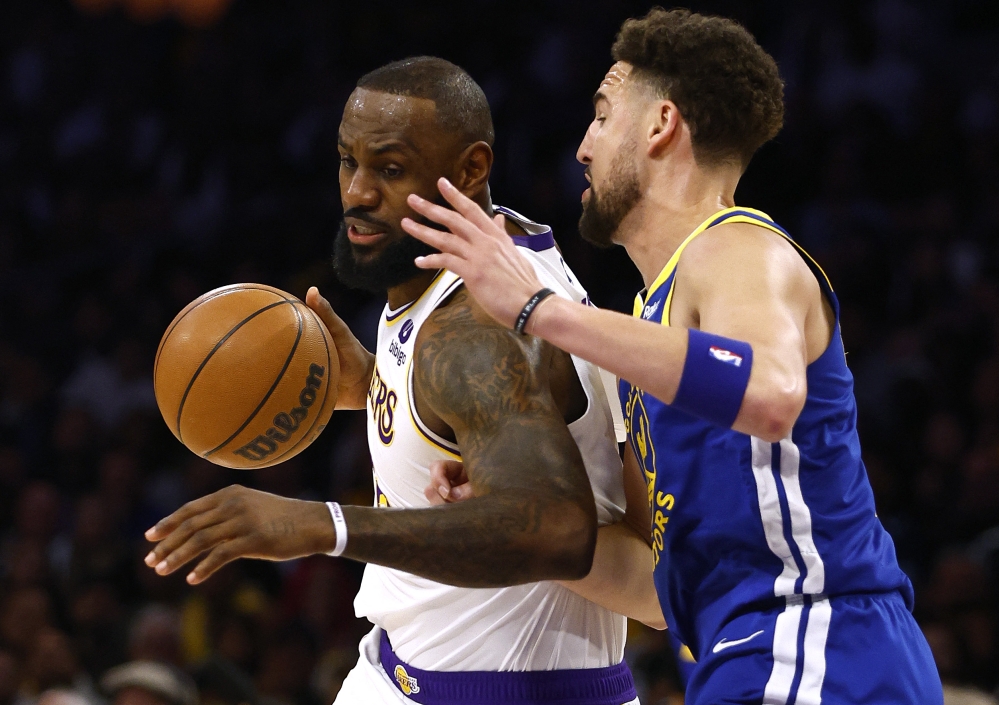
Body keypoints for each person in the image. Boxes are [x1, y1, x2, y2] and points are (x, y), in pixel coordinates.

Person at [401, 9, 943, 705]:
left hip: (816, 641)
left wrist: (538, 307)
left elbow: (771, 395)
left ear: (660, 125)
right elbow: (652, 587)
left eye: (600, 116)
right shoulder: (650, 329)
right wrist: (517, 518)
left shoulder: (739, 248)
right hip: (743, 653)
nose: (581, 148)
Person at [143, 57, 655, 705]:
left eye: (388, 168)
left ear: (471, 170)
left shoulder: (479, 326)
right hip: (396, 670)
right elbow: (482, 411)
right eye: (346, 160)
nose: (357, 190)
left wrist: (321, 524)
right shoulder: (466, 245)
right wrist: (383, 384)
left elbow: (554, 529)